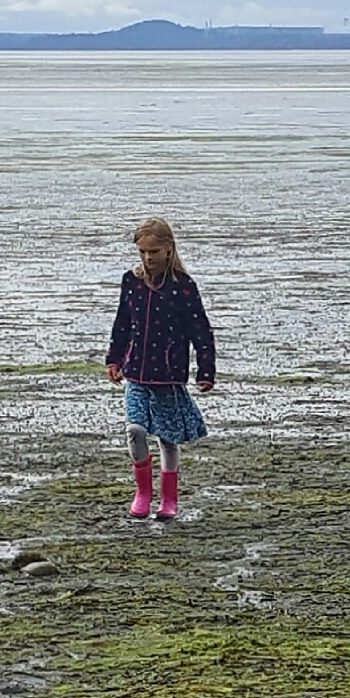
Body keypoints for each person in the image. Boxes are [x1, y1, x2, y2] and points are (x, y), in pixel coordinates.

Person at [104, 216, 215, 522]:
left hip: (168, 375)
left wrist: (206, 370)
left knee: (168, 437)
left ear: (168, 249)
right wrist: (114, 360)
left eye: (153, 251)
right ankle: (143, 492)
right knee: (135, 431)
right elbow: (122, 324)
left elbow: (200, 331)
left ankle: (169, 498)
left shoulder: (184, 287)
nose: (147, 257)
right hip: (136, 373)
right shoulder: (132, 282)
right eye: (142, 251)